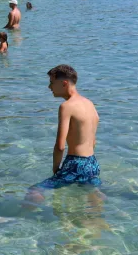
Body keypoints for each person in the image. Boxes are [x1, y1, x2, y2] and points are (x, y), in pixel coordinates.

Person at [26, 65, 100, 203]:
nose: (49, 87)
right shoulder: (90, 104)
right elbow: (93, 141)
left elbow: (60, 146)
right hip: (92, 163)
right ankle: (97, 219)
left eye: (52, 83)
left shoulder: (66, 107)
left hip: (76, 164)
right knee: (91, 193)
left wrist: (56, 169)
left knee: (34, 190)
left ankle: (25, 219)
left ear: (64, 83)